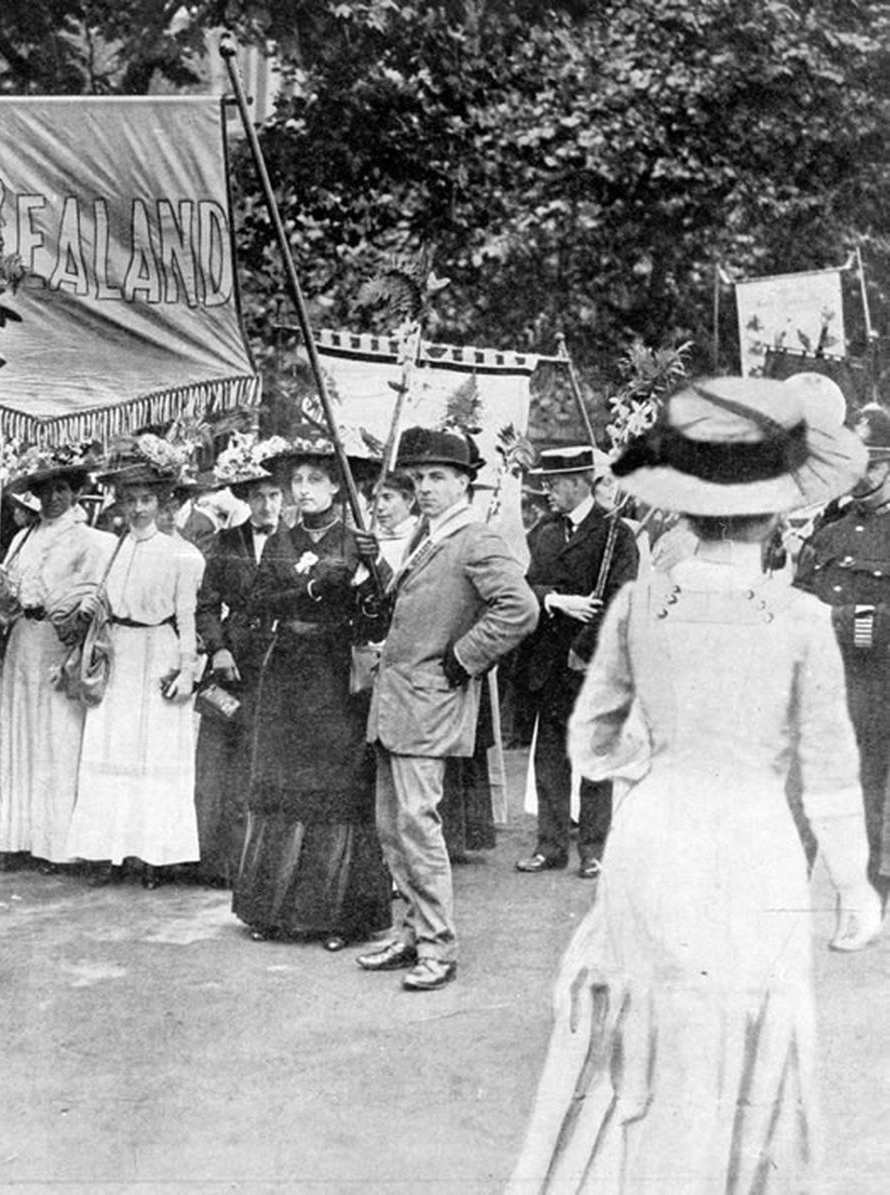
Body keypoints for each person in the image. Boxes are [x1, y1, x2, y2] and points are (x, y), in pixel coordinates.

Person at [510, 376, 882, 1190]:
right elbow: (829, 772)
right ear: (779, 513)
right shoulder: (803, 620)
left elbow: (593, 739)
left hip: (657, 831)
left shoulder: (644, 605)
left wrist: (657, 761)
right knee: (742, 1024)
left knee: (648, 1019)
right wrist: (853, 885)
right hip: (752, 835)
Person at [359, 427, 538, 991]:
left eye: (439, 477)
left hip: (430, 703)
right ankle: (411, 932)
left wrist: (464, 659)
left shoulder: (474, 538)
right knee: (393, 828)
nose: (427, 487)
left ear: (465, 483)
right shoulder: (426, 535)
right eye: (419, 478)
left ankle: (439, 946)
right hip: (396, 702)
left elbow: (519, 608)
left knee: (418, 826)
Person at [231, 434, 393, 947]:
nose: (302, 490)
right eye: (296, 480)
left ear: (337, 489)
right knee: (283, 783)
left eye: (315, 480)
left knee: (334, 788)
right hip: (286, 675)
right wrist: (316, 587)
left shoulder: (356, 541)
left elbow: (380, 617)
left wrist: (372, 573)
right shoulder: (280, 541)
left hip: (334, 674)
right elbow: (259, 601)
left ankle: (338, 916)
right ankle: (272, 910)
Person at [64, 442, 205, 888]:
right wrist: (91, 606)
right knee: (113, 747)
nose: (139, 509)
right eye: (131, 500)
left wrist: (186, 671)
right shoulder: (113, 549)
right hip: (120, 652)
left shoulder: (184, 554)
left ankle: (153, 857)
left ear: (163, 503)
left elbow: (187, 618)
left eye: (147, 500)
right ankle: (110, 851)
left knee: (155, 751)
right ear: (121, 504)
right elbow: (104, 602)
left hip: (160, 650)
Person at [0, 446, 116, 871]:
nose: (53, 498)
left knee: (57, 738)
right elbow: (10, 593)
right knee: (19, 733)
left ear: (76, 493)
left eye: (61, 489)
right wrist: (1, 588)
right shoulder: (23, 536)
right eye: (45, 491)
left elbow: (94, 597)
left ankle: (56, 845)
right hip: (24, 638)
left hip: (62, 644)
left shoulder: (93, 540)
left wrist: (74, 633)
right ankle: (14, 837)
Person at [513, 446, 639, 879]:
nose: (547, 491)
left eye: (553, 483)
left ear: (579, 484)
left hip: (593, 661)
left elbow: (623, 599)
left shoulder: (615, 535)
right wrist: (555, 599)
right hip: (547, 662)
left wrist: (586, 647)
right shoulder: (544, 531)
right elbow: (521, 586)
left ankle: (593, 849)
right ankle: (550, 846)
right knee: (548, 756)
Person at [793, 404, 890, 896]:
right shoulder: (827, 532)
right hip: (823, 689)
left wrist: (835, 622)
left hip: (880, 692)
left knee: (870, 799)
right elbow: (797, 599)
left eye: (869, 464)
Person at [193, 451, 282, 887]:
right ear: (246, 498)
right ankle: (219, 862)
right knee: (221, 759)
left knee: (264, 758)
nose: (267, 506)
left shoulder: (298, 541)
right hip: (233, 661)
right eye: (259, 497)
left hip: (281, 661)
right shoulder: (228, 544)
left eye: (274, 496)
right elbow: (207, 604)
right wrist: (218, 649)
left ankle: (262, 862)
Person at [371, 472, 420, 570]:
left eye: (387, 497)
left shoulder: (420, 538)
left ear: (409, 501)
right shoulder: (372, 538)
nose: (379, 507)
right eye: (375, 499)